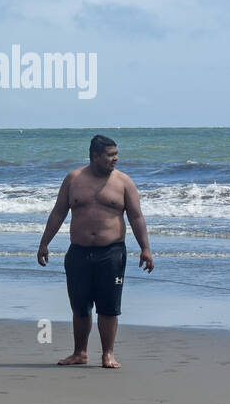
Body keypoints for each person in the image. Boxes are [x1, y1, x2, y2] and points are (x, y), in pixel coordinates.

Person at [37, 134, 154, 369]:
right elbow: (58, 212)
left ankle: (108, 354)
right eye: (111, 155)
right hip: (78, 253)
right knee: (80, 306)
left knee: (109, 306)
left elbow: (136, 217)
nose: (116, 159)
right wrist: (44, 243)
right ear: (95, 156)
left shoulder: (124, 182)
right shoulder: (74, 179)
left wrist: (146, 248)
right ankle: (79, 353)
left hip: (111, 253)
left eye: (116, 154)